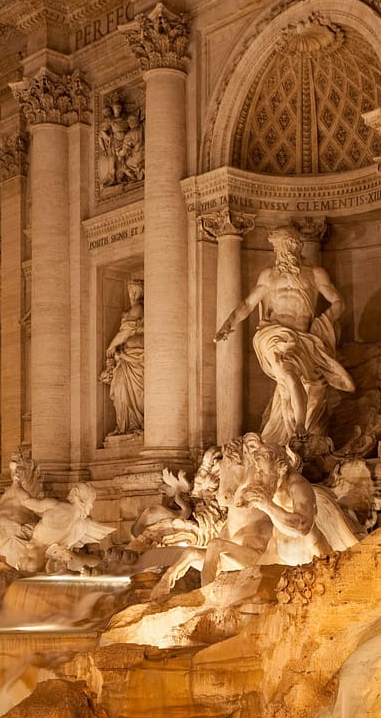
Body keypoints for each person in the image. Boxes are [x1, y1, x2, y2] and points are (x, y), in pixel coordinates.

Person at [149, 434, 358, 600]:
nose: (260, 476)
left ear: (280, 467)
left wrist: (266, 506)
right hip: (277, 555)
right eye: (258, 471)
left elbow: (302, 526)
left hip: (312, 557)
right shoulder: (271, 483)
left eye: (263, 473)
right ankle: (206, 597)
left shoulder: (298, 486)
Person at [214, 224, 354, 448]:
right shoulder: (268, 276)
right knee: (289, 373)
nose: (282, 251)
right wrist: (228, 324)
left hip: (303, 338)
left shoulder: (315, 274)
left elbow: (339, 303)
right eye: (278, 247)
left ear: (297, 246)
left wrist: (323, 322)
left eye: (286, 245)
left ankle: (296, 428)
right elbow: (248, 303)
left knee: (299, 381)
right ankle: (300, 426)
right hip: (274, 335)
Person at [100, 278, 146, 434]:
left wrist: (112, 346)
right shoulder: (129, 311)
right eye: (130, 291)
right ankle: (124, 425)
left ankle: (135, 424)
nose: (132, 294)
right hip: (125, 358)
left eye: (136, 291)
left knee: (136, 393)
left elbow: (126, 331)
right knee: (120, 389)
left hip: (136, 358)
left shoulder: (138, 308)